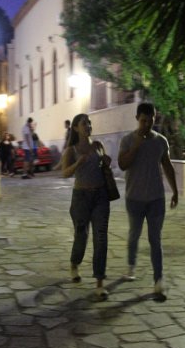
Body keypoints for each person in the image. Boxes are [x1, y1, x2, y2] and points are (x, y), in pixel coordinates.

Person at [117, 102, 178, 301]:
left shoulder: (161, 141)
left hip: (156, 199)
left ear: (155, 118)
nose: (147, 124)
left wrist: (175, 191)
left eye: (151, 120)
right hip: (134, 198)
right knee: (134, 234)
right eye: (143, 120)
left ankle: (158, 280)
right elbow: (122, 164)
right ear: (137, 119)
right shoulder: (127, 140)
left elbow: (167, 165)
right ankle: (131, 266)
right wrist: (136, 145)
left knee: (155, 239)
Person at [61, 114, 112, 299]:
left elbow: (105, 168)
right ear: (75, 128)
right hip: (81, 197)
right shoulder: (72, 150)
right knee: (81, 236)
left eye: (89, 123)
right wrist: (78, 163)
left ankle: (99, 282)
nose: (88, 126)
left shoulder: (97, 146)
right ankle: (74, 263)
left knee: (101, 238)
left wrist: (106, 163)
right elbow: (64, 173)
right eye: (84, 123)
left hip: (100, 196)